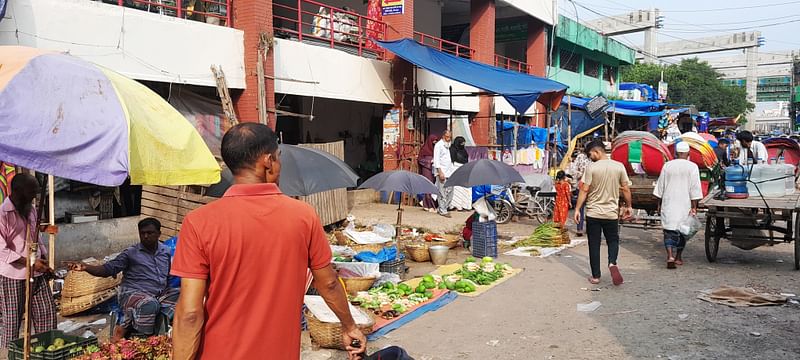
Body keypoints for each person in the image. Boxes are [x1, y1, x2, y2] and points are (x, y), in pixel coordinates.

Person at [171, 123, 365, 359]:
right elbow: (330, 284)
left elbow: (190, 313)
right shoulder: (303, 217)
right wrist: (349, 326)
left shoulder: (198, 222)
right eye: (278, 158)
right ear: (268, 161)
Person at [68, 218, 178, 341]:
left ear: (159, 234)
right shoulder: (131, 253)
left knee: (183, 295)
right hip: (132, 293)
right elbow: (108, 269)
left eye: (150, 233)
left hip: (158, 293)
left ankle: (158, 324)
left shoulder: (166, 252)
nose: (146, 236)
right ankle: (145, 338)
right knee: (149, 304)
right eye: (142, 233)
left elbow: (167, 275)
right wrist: (85, 267)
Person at [0, 174, 56, 348]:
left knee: (46, 313)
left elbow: (35, 238)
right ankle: (8, 354)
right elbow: (2, 251)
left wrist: (44, 261)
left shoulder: (31, 210)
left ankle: (46, 350)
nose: (35, 195)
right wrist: (30, 262)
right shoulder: (2, 215)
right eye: (32, 191)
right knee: (12, 321)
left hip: (37, 272)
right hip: (13, 276)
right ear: (17, 191)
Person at [573, 140, 632, 286]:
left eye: (590, 154)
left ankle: (596, 276)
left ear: (597, 152)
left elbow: (584, 189)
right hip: (611, 213)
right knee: (613, 240)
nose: (589, 157)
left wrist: (577, 209)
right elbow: (625, 189)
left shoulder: (592, 168)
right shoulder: (619, 167)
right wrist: (629, 206)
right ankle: (612, 263)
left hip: (593, 213)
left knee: (594, 244)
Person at [653, 142, 703, 269]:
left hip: (669, 202)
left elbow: (660, 187)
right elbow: (695, 189)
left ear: (676, 153)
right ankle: (678, 257)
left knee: (669, 230)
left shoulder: (667, 166)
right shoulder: (692, 167)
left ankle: (669, 255)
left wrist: (658, 204)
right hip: (684, 203)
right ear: (688, 154)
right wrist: (694, 206)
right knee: (683, 231)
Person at [567, 151, 592, 236]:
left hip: (590, 187)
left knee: (589, 209)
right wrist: (582, 175)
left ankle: (588, 228)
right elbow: (573, 171)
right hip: (581, 186)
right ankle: (580, 229)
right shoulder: (580, 157)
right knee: (581, 208)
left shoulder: (593, 157)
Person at [433, 130, 454, 218]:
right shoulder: (439, 145)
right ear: (443, 136)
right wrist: (440, 172)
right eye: (447, 137)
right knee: (442, 192)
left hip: (449, 172)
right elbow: (436, 160)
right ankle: (442, 210)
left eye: (450, 137)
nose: (448, 139)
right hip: (442, 172)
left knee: (450, 192)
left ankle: (444, 207)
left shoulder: (448, 146)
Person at [449, 136, 472, 211]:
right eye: (461, 143)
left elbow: (466, 160)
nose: (463, 145)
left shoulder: (463, 151)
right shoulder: (452, 149)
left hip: (464, 170)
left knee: (465, 188)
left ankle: (465, 205)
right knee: (457, 189)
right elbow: (451, 161)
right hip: (455, 169)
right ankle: (455, 205)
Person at [418, 134, 440, 212]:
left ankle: (431, 204)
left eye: (436, 140)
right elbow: (420, 159)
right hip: (426, 169)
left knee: (434, 186)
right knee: (428, 186)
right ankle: (429, 205)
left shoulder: (436, 149)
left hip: (434, 170)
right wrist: (429, 161)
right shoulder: (424, 149)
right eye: (434, 140)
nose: (435, 142)